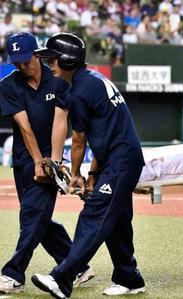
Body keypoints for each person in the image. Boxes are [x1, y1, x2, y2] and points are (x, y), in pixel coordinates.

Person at [31, 33, 146, 298]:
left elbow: (80, 141)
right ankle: (130, 278)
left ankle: (62, 278)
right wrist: (93, 174)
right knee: (116, 220)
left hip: (121, 162)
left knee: (94, 215)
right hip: (117, 160)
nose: (49, 64)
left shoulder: (80, 91)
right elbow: (104, 134)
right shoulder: (93, 80)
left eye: (53, 59)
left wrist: (75, 175)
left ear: (69, 61)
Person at [0, 32, 93, 294]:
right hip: (24, 160)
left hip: (50, 158)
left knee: (32, 214)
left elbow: (60, 121)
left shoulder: (57, 79)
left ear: (36, 55)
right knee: (37, 217)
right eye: (15, 61)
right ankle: (77, 265)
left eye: (25, 59)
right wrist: (37, 161)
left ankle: (13, 273)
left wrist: (52, 162)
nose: (20, 65)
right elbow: (24, 126)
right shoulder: (8, 85)